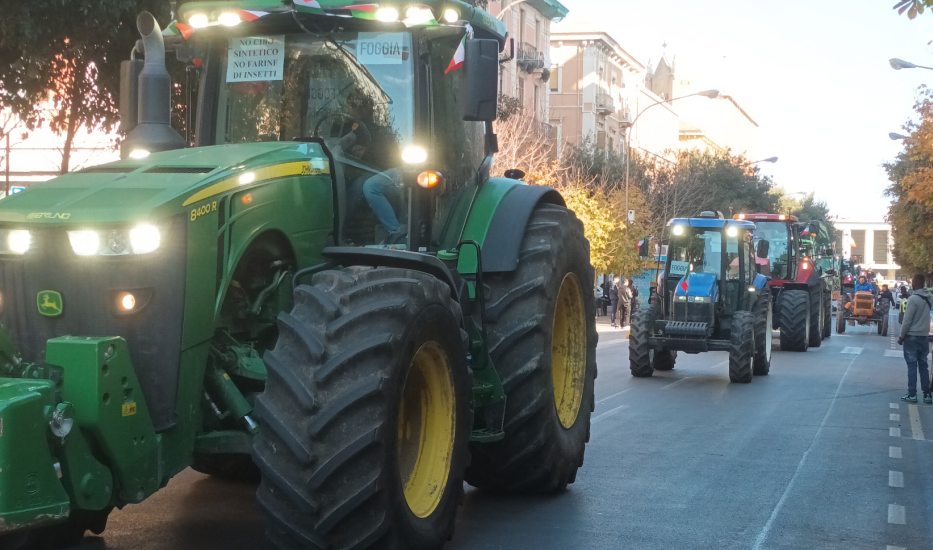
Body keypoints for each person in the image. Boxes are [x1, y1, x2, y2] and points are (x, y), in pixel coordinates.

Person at [898, 274, 933, 404]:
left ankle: (912, 394)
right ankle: (927, 395)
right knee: (924, 366)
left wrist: (901, 336)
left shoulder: (913, 299)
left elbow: (907, 320)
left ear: (916, 283)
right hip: (924, 336)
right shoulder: (930, 297)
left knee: (912, 366)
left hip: (912, 336)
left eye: (913, 282)